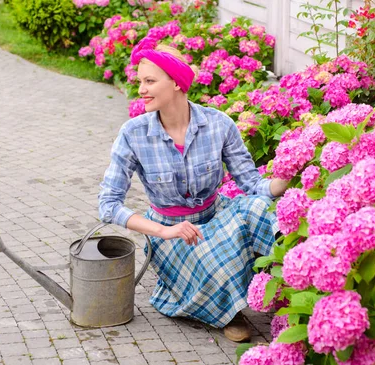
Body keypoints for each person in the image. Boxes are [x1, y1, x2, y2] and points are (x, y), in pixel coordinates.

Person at [98, 35, 289, 342]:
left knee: (260, 210)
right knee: (209, 256)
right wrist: (162, 231)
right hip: (171, 233)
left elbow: (253, 185)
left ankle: (294, 289)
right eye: (140, 81)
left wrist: (289, 175)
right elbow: (108, 205)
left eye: (149, 81)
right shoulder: (134, 133)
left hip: (215, 217)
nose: (141, 89)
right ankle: (230, 310)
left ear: (176, 82)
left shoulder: (218, 124)